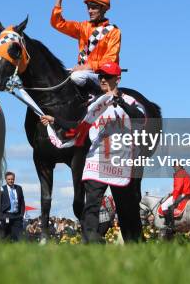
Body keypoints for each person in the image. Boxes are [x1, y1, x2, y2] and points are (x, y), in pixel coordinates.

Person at [41, 62, 145, 244]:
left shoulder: (129, 101)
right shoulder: (95, 104)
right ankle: (92, 243)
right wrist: (54, 120)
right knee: (91, 206)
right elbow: (78, 126)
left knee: (127, 209)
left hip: (120, 163)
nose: (102, 79)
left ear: (117, 79)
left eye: (107, 76)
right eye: (100, 76)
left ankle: (135, 243)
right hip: (96, 160)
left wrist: (119, 101)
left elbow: (141, 119)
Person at [50, 0, 121, 93]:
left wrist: (86, 67)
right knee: (55, 78)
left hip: (102, 75)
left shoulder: (114, 31)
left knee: (77, 77)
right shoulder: (82, 27)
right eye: (88, 7)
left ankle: (96, 96)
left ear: (103, 9)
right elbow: (57, 23)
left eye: (94, 8)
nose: (90, 11)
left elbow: (110, 60)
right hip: (83, 73)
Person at [160, 163, 190, 234]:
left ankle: (170, 225)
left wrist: (174, 197)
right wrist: (171, 193)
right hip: (188, 194)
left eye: (175, 166)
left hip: (182, 194)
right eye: (173, 166)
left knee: (164, 205)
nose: (174, 168)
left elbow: (178, 187)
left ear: (179, 166)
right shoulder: (186, 173)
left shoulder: (179, 173)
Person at [0, 171, 25, 241]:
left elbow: (22, 202)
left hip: (17, 216)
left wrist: (22, 214)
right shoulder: (2, 189)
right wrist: (1, 216)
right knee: (5, 237)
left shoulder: (19, 188)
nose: (11, 181)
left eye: (12, 179)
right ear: (6, 180)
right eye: (9, 179)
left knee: (19, 237)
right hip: (6, 216)